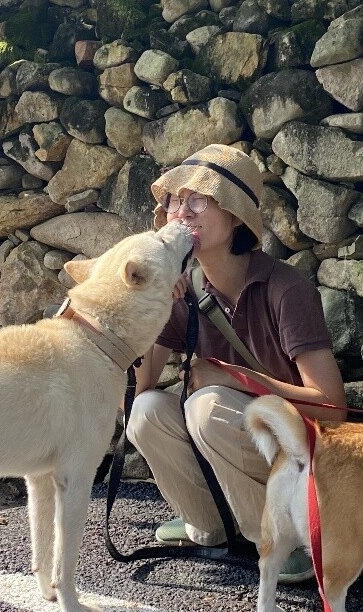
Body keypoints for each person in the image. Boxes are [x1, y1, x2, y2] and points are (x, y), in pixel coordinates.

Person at [128, 144, 346, 582]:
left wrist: (233, 378)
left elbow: (332, 408)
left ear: (234, 216)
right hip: (246, 443)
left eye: (198, 200)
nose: (181, 212)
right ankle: (209, 526)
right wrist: (148, 304)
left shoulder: (284, 288)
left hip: (306, 457)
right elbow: (136, 391)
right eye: (174, 200)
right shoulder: (183, 290)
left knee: (205, 405)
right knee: (147, 410)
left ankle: (284, 538)